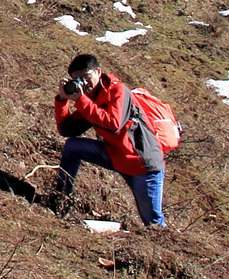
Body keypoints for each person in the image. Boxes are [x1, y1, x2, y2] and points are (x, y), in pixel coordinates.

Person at [47, 52, 167, 228]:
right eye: (77, 79)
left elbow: (113, 123)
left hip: (142, 164)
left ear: (98, 71)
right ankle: (61, 201)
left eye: (86, 77)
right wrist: (62, 100)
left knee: (153, 222)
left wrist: (81, 100)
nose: (83, 83)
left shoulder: (118, 91)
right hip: (116, 155)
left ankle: (164, 250)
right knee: (73, 147)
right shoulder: (90, 99)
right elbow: (67, 130)